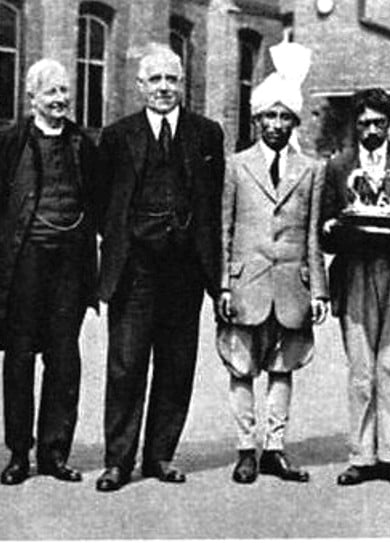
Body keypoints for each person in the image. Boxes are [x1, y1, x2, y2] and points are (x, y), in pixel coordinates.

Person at [94, 45, 225, 491]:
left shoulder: (207, 134)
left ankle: (160, 455)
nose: (164, 88)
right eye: (155, 80)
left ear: (183, 83)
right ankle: (118, 460)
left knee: (176, 365)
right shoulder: (116, 136)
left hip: (185, 270)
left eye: (172, 79)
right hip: (135, 271)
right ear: (140, 86)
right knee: (126, 365)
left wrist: (214, 272)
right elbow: (101, 202)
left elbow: (213, 203)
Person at [0, 59, 99, 486]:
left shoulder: (84, 145)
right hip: (23, 264)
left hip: (70, 266)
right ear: (32, 99)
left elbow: (99, 205)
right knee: (20, 356)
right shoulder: (5, 145)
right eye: (51, 93)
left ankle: (55, 452)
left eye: (65, 92)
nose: (60, 100)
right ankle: (18, 454)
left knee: (64, 358)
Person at [216, 41, 328, 485]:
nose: (277, 125)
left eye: (285, 117)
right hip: (246, 283)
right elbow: (224, 229)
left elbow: (314, 233)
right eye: (269, 117)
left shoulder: (311, 169)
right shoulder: (236, 166)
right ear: (257, 119)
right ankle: (246, 448)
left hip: (291, 284)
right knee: (241, 366)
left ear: (294, 121)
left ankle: (275, 448)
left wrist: (318, 290)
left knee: (283, 366)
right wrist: (223, 285)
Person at [321, 88, 390, 487]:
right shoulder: (337, 167)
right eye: (364, 123)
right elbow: (327, 225)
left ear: (389, 123)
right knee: (361, 368)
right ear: (355, 123)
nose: (371, 130)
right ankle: (361, 455)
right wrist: (330, 228)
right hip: (355, 271)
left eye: (378, 123)